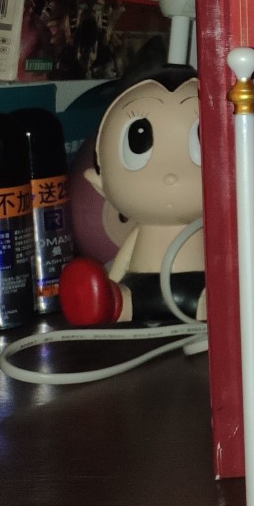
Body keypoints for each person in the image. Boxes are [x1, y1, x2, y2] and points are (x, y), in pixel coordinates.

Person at [58, 65, 206, 326]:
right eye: (137, 142)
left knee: (214, 297)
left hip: (201, 285)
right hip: (141, 290)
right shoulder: (139, 233)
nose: (170, 174)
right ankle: (112, 302)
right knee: (123, 298)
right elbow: (122, 262)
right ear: (99, 182)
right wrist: (111, 284)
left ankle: (215, 303)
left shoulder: (210, 231)